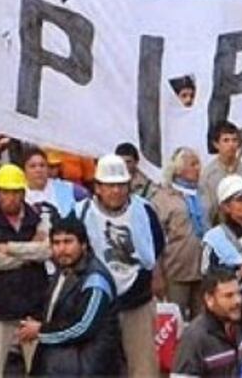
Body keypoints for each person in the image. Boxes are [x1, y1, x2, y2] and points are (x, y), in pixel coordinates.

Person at [74, 153, 164, 378]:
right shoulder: (81, 212)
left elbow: (158, 247)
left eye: (121, 185)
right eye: (110, 186)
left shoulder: (144, 210)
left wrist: (157, 277)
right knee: (98, 366)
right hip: (96, 303)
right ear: (98, 187)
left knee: (144, 366)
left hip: (137, 300)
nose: (116, 191)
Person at [17, 215, 121, 376]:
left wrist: (40, 331)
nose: (62, 249)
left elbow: (83, 327)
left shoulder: (95, 280)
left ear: (84, 245)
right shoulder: (63, 271)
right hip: (58, 365)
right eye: (56, 243)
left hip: (86, 368)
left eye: (68, 242)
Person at [0, 164, 50, 378]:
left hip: (32, 300)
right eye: (6, 192)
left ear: (23, 192)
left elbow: (47, 250)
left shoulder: (37, 215)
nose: (11, 198)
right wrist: (28, 255)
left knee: (36, 366)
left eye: (16, 192)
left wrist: (12, 248)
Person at [152, 146, 205, 320]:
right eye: (193, 164)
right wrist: (157, 274)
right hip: (175, 270)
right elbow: (155, 239)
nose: (198, 168)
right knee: (176, 321)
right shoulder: (163, 198)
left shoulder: (203, 194)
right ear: (179, 169)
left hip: (202, 269)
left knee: (202, 320)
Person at [0, 148, 88, 225]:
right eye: (32, 166)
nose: (38, 170)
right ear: (24, 170)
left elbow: (87, 200)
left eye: (42, 165)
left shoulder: (67, 188)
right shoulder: (15, 189)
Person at [171, 269, 242, 377]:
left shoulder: (236, 328)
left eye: (239, 293)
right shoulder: (194, 338)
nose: (238, 300)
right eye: (228, 296)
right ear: (209, 300)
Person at [201, 175, 242, 302]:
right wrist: (238, 273)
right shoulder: (214, 239)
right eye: (240, 200)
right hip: (233, 304)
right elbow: (208, 276)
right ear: (225, 207)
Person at [202, 121, 242, 227]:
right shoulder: (208, 175)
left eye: (234, 140)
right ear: (216, 144)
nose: (231, 145)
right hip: (220, 230)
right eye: (226, 140)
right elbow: (206, 212)